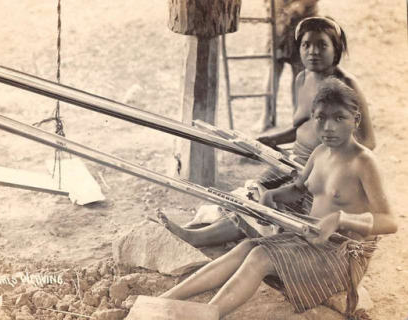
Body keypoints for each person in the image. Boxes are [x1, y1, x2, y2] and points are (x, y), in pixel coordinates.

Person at [158, 78, 397, 319]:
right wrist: (272, 195)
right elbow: (298, 189)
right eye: (320, 118)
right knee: (248, 246)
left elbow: (389, 222)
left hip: (342, 257)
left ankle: (204, 316)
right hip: (311, 240)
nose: (328, 128)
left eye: (339, 118)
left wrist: (341, 219)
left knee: (261, 256)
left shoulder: (363, 162)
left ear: (355, 121)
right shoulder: (320, 152)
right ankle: (165, 301)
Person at [157, 16, 376, 248]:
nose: (313, 52)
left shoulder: (346, 85)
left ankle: (197, 238)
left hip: (320, 171)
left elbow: (369, 142)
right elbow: (302, 125)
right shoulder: (302, 78)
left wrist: (328, 166)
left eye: (322, 45)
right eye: (306, 45)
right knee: (255, 193)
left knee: (266, 203)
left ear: (336, 49)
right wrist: (270, 140)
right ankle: (208, 232)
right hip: (293, 162)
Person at [254, 0, 319, 132]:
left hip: (302, 23)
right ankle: (266, 116)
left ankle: (298, 118)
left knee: (300, 74)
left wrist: (298, 6)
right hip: (279, 23)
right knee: (273, 70)